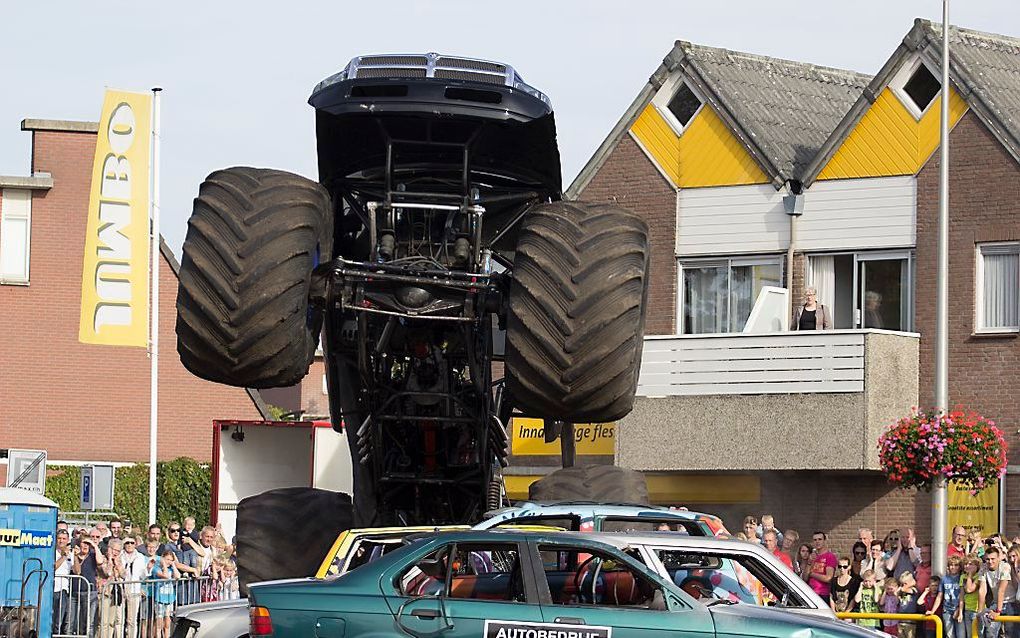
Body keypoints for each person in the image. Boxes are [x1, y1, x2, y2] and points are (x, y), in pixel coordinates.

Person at [71, 527, 104, 638]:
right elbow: (77, 571)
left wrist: (94, 545)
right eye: (83, 543)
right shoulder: (73, 555)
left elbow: (100, 561)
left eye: (87, 544)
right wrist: (76, 556)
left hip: (90, 592)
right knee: (74, 622)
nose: (85, 546)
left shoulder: (93, 554)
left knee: (89, 623)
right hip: (74, 592)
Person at [978, 546, 1011, 638]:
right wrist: (980, 611)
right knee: (990, 632)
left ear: (999, 558)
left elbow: (1001, 590)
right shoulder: (983, 567)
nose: (990, 561)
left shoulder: (1005, 566)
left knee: (1011, 632)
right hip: (996, 602)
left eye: (993, 559)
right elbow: (982, 590)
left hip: (1010, 602)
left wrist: (998, 611)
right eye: (987, 559)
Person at [166, 522, 200, 605]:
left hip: (191, 581)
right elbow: (175, 563)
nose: (176, 532)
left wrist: (191, 541)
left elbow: (202, 552)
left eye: (178, 530)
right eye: (173, 530)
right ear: (169, 533)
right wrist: (193, 570)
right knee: (181, 607)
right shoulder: (168, 546)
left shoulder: (185, 543)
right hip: (179, 581)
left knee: (194, 605)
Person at [120, 537, 148, 638]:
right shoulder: (120, 555)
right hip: (121, 589)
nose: (130, 545)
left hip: (134, 590)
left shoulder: (140, 557)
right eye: (127, 542)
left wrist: (148, 568)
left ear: (135, 544)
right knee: (120, 619)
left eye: (132, 542)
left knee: (132, 619)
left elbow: (143, 576)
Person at [97, 538, 125, 638]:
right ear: (109, 548)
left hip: (115, 594)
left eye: (118, 551)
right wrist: (109, 559)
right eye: (114, 550)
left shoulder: (119, 560)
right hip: (104, 592)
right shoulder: (102, 558)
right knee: (103, 622)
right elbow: (107, 572)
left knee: (111, 622)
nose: (116, 553)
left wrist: (118, 565)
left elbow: (124, 575)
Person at [151, 550, 179, 638]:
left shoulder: (171, 568)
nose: (169, 562)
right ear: (162, 558)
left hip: (169, 598)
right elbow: (166, 576)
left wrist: (173, 565)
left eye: (171, 560)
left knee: (167, 623)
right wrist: (163, 564)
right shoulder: (156, 568)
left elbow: (177, 576)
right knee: (159, 624)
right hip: (160, 599)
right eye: (167, 559)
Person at [808, 532, 837, 603]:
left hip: (822, 593)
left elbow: (828, 578)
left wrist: (811, 574)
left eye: (820, 539)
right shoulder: (813, 556)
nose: (817, 542)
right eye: (815, 540)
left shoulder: (830, 556)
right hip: (810, 592)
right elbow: (805, 577)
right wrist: (809, 562)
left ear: (824, 541)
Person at [53, 529, 72, 636]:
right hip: (54, 588)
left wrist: (76, 557)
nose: (61, 541)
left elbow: (77, 570)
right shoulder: (52, 552)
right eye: (59, 538)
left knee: (62, 620)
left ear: (68, 540)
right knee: (55, 619)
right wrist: (63, 556)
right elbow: (53, 567)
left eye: (64, 539)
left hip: (64, 590)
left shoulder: (71, 553)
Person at [940, 556, 964, 638]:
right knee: (950, 635)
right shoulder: (944, 579)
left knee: (961, 634)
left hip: (959, 609)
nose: (953, 567)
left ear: (960, 567)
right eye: (951, 565)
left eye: (956, 565)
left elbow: (963, 596)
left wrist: (958, 610)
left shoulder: (961, 578)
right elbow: (940, 596)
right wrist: (932, 610)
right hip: (947, 610)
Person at [959, 555, 982, 638]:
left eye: (971, 564)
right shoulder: (962, 577)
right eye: (965, 564)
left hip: (976, 610)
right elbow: (961, 595)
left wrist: (969, 575)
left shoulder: (979, 576)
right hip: (967, 610)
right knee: (969, 635)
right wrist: (960, 612)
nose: (967, 566)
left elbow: (969, 589)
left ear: (977, 566)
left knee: (977, 635)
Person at [897, 571, 920, 638]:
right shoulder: (902, 591)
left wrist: (912, 584)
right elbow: (896, 592)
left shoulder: (914, 590)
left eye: (905, 583)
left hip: (910, 620)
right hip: (901, 619)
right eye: (902, 584)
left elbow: (903, 589)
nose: (903, 585)